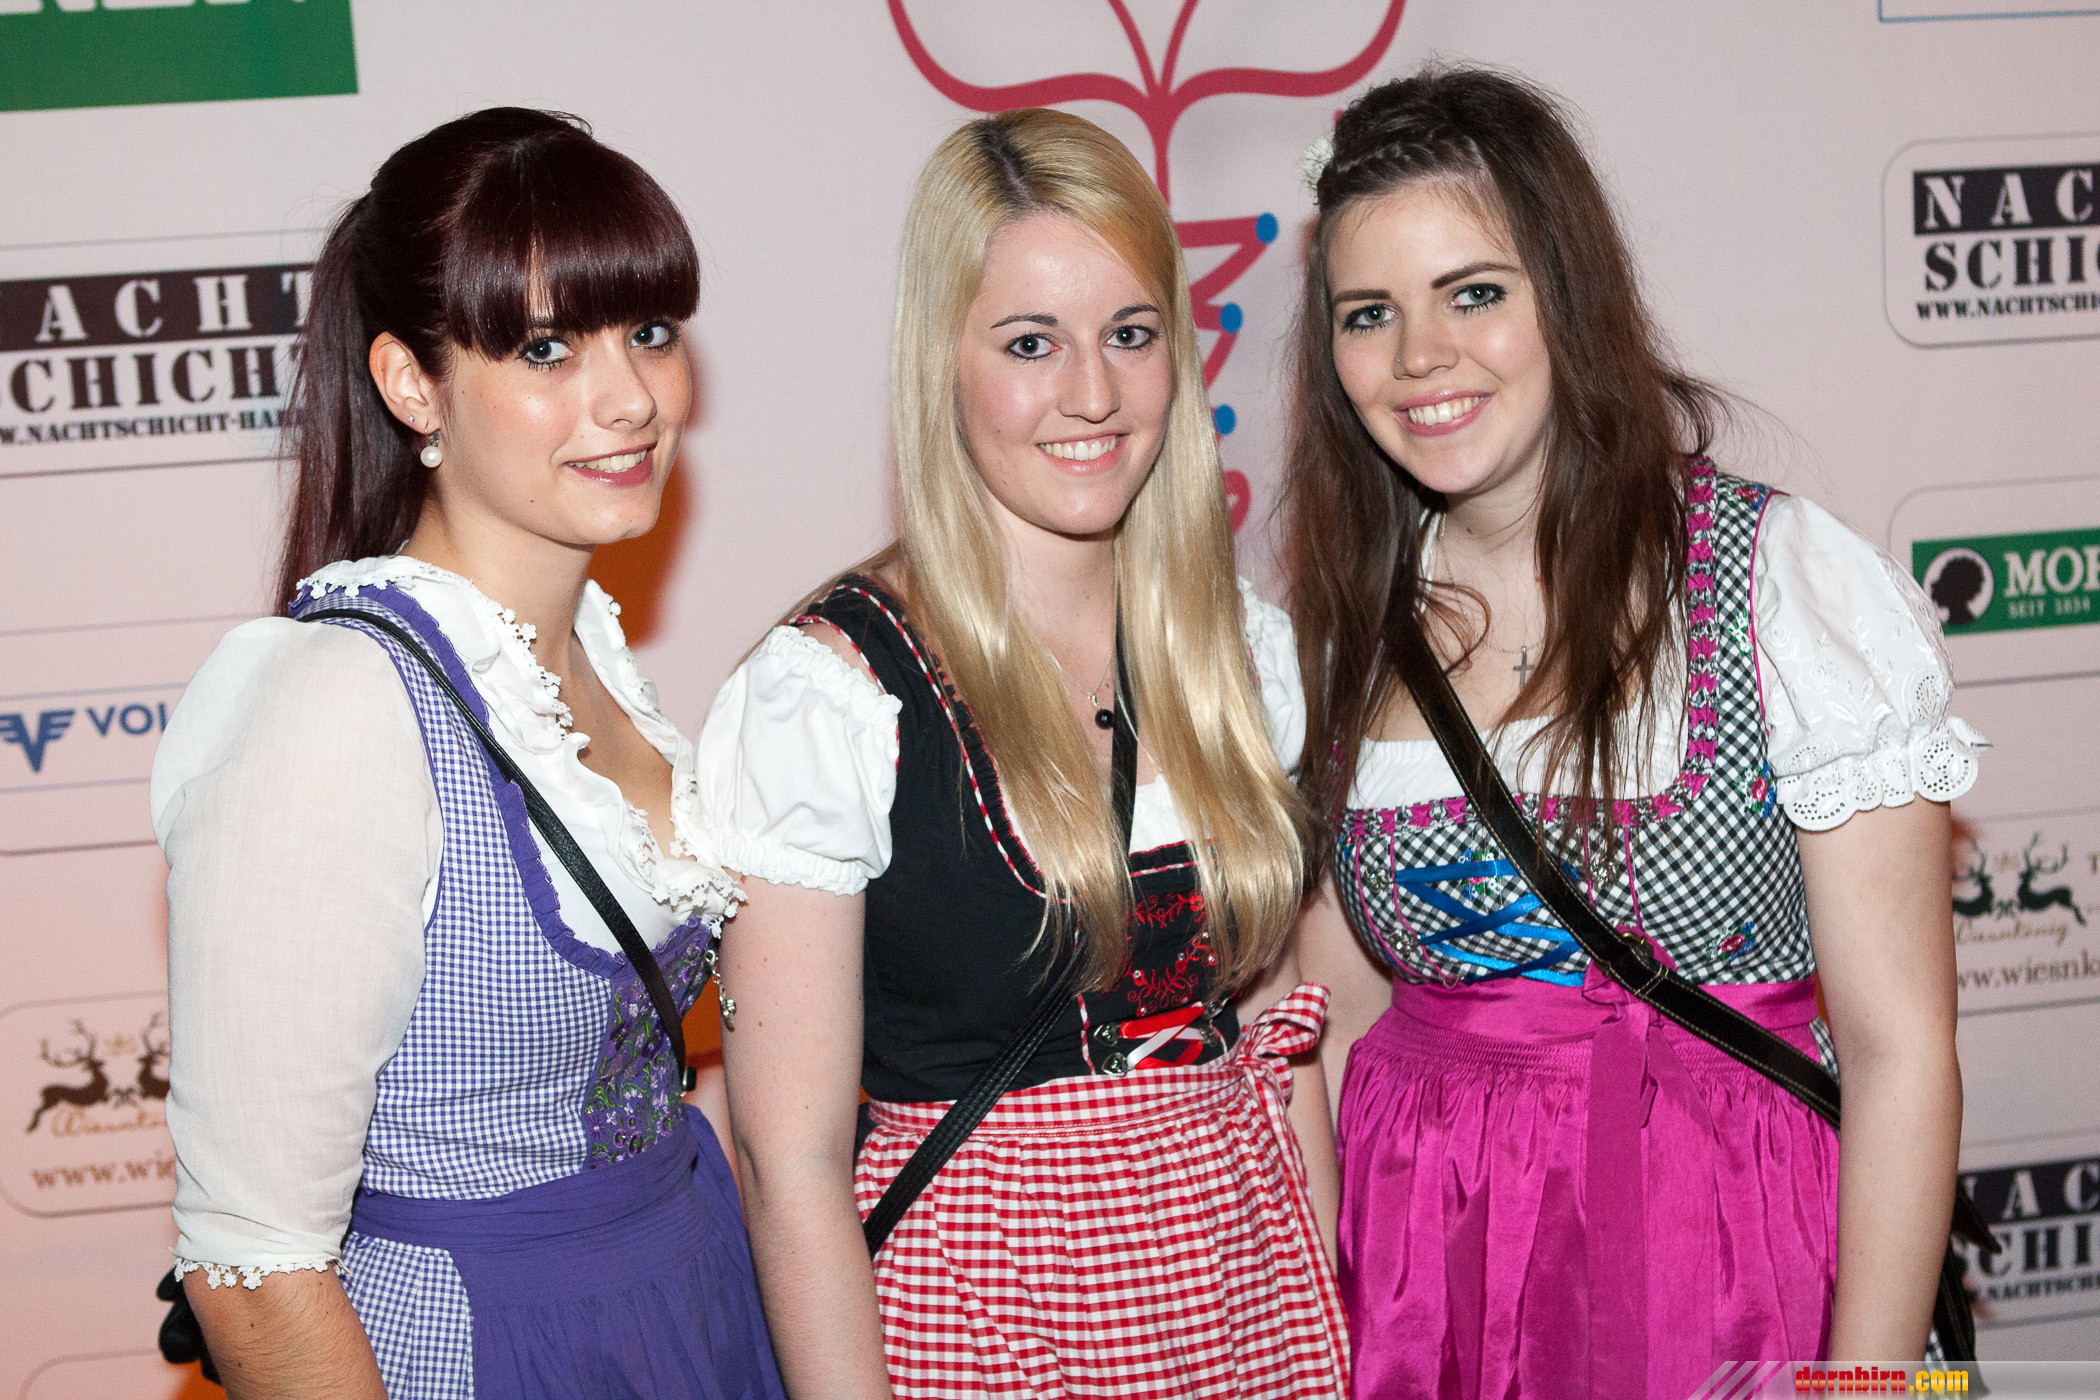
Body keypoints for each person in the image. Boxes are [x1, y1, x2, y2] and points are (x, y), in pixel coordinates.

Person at [1280, 68, 1984, 1398]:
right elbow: (1335, 1029)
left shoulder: (1774, 583)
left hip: (1728, 1267)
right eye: (1369, 314)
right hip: (1430, 1288)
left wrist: (1869, 1386)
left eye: (1473, 293)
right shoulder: (1347, 636)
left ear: (1567, 294)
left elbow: (1900, 1057)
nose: (1419, 356)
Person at [695, 108, 1349, 1399]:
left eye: (1131, 334)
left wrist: (1329, 1312)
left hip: (1246, 1305)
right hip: (983, 1321)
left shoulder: (1241, 656)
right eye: (1031, 343)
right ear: (942, 363)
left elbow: (1279, 1042)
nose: (1092, 394)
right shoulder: (832, 695)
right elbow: (790, 1163)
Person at [153, 108, 784, 1400]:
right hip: (493, 1341)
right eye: (547, 348)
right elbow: (254, 1269)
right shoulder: (337, 705)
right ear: (410, 385)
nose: (631, 399)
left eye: (649, 332)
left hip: (690, 1291)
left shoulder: (585, 658)